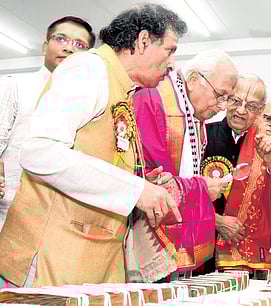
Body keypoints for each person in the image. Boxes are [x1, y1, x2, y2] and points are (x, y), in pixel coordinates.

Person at [0, 3, 187, 287]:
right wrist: (136, 190)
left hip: (91, 254)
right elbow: (40, 151)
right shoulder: (87, 69)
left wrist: (137, 181)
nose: (171, 63)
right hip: (51, 254)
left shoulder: (121, 86)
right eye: (169, 50)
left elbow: (92, 156)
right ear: (143, 40)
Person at [133, 49, 238, 277]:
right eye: (220, 95)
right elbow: (150, 179)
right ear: (193, 80)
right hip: (146, 240)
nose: (222, 106)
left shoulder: (193, 114)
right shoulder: (153, 100)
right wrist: (202, 187)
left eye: (227, 99)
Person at [0, 16, 96, 231]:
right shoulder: (16, 86)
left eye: (80, 45)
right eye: (61, 39)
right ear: (45, 46)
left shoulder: (88, 102)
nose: (69, 48)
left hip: (62, 219)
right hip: (11, 213)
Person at [204, 74, 271, 272]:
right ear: (226, 100)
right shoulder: (203, 135)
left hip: (248, 255)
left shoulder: (268, 146)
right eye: (236, 101)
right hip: (203, 245)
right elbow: (184, 190)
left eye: (251, 106)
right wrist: (217, 221)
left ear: (260, 110)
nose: (241, 111)